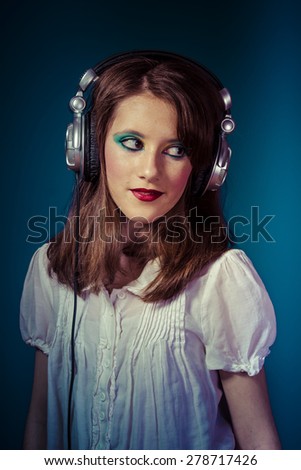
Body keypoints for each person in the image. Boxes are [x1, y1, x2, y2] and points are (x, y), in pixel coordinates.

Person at [20, 50, 281, 450]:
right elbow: (40, 420)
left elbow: (259, 441)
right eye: (132, 142)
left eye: (176, 150)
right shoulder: (50, 269)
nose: (150, 170)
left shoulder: (221, 278)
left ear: (206, 169)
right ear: (87, 151)